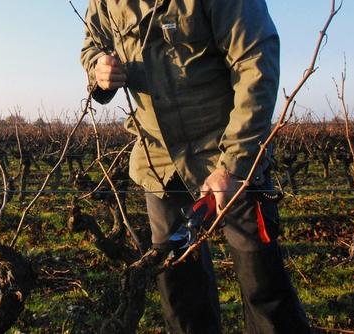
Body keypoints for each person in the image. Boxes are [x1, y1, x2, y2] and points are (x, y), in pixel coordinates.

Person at [81, 0, 310, 332]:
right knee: (181, 295)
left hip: (231, 154)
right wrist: (99, 69)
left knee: (264, 290)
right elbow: (92, 45)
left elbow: (255, 61)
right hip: (160, 164)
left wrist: (233, 163)